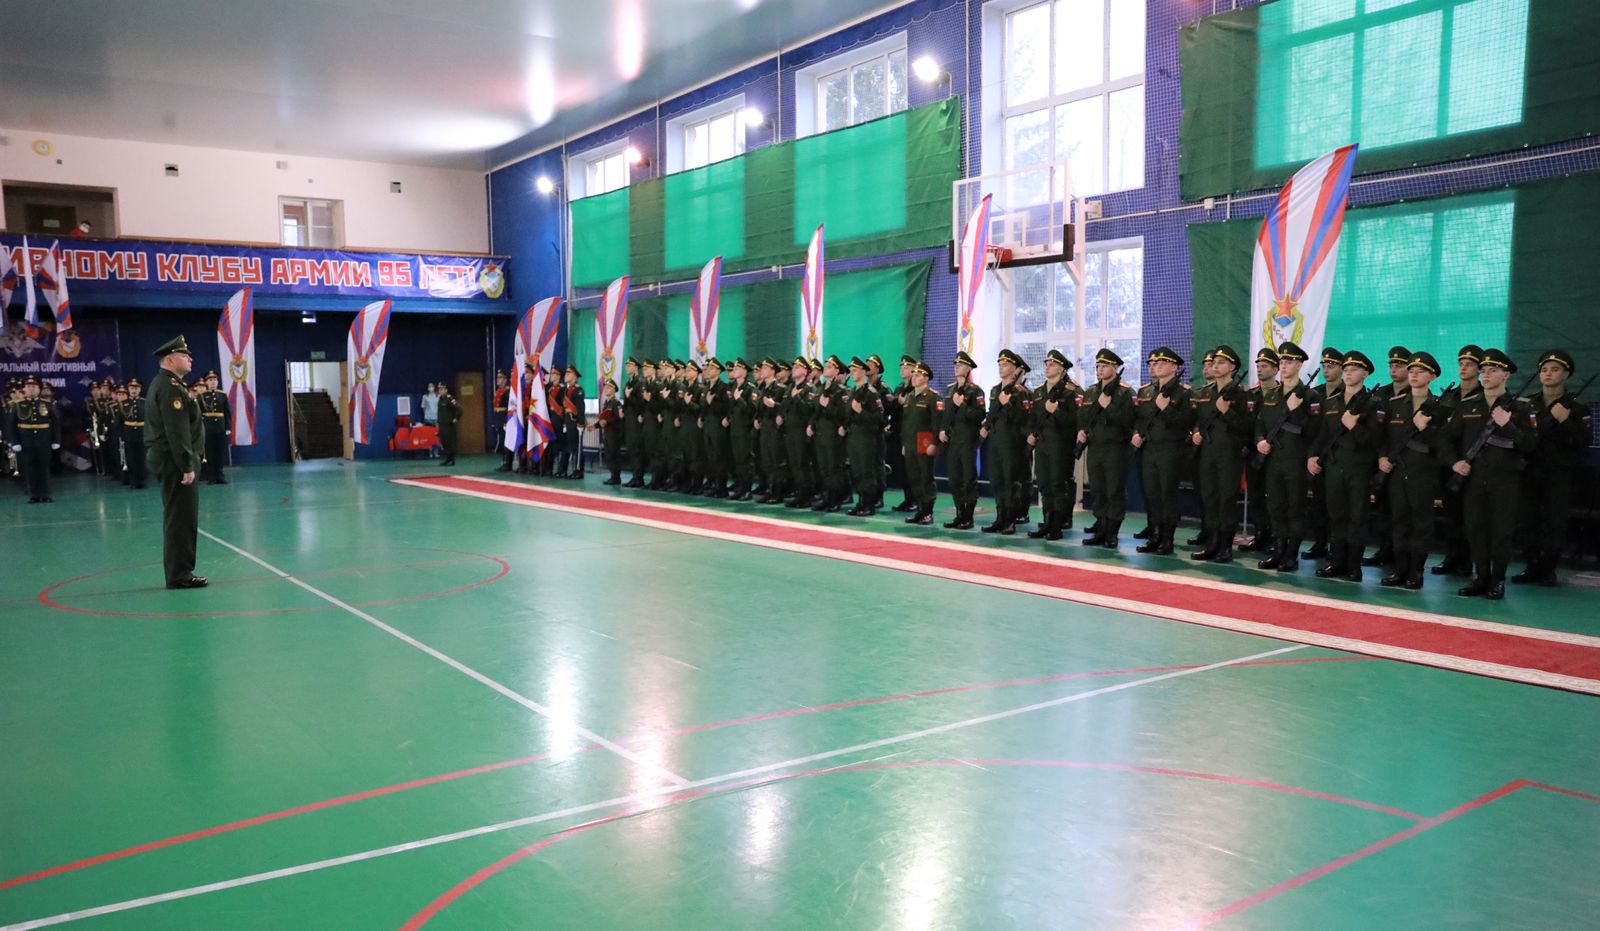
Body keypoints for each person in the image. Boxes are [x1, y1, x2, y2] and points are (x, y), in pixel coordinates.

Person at [1445, 348, 1535, 599]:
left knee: (1501, 532)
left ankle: (1497, 580)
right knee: (1476, 530)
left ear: (1505, 375)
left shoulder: (1521, 408)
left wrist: (1508, 425)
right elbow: (1446, 439)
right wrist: (1454, 463)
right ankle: (1481, 577)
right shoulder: (1467, 405)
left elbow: (1530, 445)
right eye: (1483, 370)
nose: (1485, 375)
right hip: (1473, 479)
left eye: (1492, 370)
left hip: (1504, 480)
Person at [1513, 350, 1592, 586]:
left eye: (1555, 369)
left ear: (1566, 374)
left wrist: (1565, 420)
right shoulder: (1528, 404)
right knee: (1527, 521)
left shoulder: (1576, 408)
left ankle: (1548, 570)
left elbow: (1583, 442)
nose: (1548, 374)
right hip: (1529, 472)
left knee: (1553, 523)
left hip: (1558, 474)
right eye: (1544, 370)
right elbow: (1519, 437)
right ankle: (1531, 566)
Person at [1310, 351, 1383, 582]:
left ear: (1365, 373)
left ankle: (1354, 565)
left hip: (1359, 468)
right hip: (1334, 466)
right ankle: (1336, 561)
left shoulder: (1373, 403)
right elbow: (1323, 434)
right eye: (1347, 369)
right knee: (1336, 515)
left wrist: (1354, 427)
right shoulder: (1332, 401)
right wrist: (1313, 455)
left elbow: (1376, 441)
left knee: (1357, 518)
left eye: (1354, 369)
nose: (1349, 373)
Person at [1376, 352, 1442, 589]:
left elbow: (1443, 445)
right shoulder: (1395, 404)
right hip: (1397, 472)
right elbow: (1385, 437)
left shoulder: (1440, 407)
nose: (1414, 375)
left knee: (1421, 524)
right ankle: (1400, 569)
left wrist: (1426, 430)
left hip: (1423, 473)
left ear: (1432, 376)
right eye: (1411, 371)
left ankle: (1416, 571)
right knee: (1399, 522)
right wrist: (1382, 457)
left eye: (1420, 372)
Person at [146, 336, 207, 589]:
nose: (189, 358)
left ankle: (180, 571)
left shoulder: (168, 384)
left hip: (172, 461)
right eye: (184, 355)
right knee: (181, 519)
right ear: (170, 360)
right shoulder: (171, 388)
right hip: (175, 463)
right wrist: (186, 465)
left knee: (180, 517)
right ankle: (180, 574)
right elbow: (177, 430)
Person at [1252, 342, 1313, 571]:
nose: (1284, 365)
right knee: (1276, 507)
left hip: (1296, 461)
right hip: (1273, 461)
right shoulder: (1272, 394)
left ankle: (1291, 554)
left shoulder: (1310, 396)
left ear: (1299, 365)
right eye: (1282, 361)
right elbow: (1260, 422)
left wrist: (1296, 410)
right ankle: (1277, 551)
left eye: (1289, 361)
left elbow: (1315, 431)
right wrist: (1260, 441)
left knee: (1294, 508)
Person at [1189, 345, 1251, 563]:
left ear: (1232, 367)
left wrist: (1227, 412)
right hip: (1208, 453)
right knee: (1210, 498)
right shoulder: (1206, 393)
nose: (1215, 366)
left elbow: (1247, 427)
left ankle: (1225, 546)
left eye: (1221, 363)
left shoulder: (1241, 394)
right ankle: (1212, 544)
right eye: (1214, 362)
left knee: (1226, 499)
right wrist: (1196, 432)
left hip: (1229, 454)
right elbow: (1199, 420)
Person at [1132, 348, 1194, 556]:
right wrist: (1136, 433)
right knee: (1152, 495)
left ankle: (1167, 539)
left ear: (1174, 367)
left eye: (1162, 362)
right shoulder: (1145, 392)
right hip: (1149, 448)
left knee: (1168, 495)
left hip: (1170, 449)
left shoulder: (1183, 392)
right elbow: (1140, 418)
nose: (1157, 366)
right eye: (1155, 363)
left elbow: (1186, 423)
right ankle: (1154, 535)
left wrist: (1166, 409)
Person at [1432, 345, 1484, 576]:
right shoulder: (1449, 397)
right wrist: (1450, 461)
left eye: (1469, 364)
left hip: (1475, 466)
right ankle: (1452, 557)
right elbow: (1439, 432)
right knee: (1451, 515)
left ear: (1480, 369)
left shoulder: (1485, 396)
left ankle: (1469, 561)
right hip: (1449, 464)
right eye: (1461, 364)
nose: (1463, 368)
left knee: (1473, 518)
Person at [1078, 349, 1137, 548]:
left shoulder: (1125, 392)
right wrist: (1081, 430)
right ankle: (1101, 529)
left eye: (1104, 366)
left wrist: (1109, 407)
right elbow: (1083, 417)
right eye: (1098, 366)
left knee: (1114, 490)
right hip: (1095, 447)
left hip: (1115, 448)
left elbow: (1129, 421)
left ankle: (1112, 532)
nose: (1100, 370)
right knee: (1098, 489)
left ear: (1115, 367)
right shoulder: (1091, 391)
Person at [1026, 349, 1077, 541]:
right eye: (1047, 364)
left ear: (1062, 369)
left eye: (1052, 364)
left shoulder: (1071, 392)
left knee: (1057, 485)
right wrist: (1031, 433)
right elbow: (1033, 417)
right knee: (1044, 484)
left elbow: (1075, 422)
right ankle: (1046, 522)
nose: (1048, 367)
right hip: (1042, 444)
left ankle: (1057, 526)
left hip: (1060, 445)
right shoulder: (1039, 392)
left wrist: (1057, 412)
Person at [1299, 347, 1343, 560]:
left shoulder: (1349, 394)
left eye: (1331, 366)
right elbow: (1311, 428)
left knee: (1337, 505)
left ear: (1342, 368)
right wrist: (1312, 454)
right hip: (1317, 455)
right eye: (1324, 366)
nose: (1326, 370)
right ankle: (1320, 542)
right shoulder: (1315, 393)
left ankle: (1336, 545)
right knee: (1318, 502)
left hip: (1338, 457)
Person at [982, 350, 1030, 535]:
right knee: (997, 480)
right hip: (995, 441)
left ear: (1015, 369)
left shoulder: (1020, 392)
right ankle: (1000, 518)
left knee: (1011, 482)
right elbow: (992, 414)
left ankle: (1010, 520)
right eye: (1000, 365)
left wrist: (1007, 404)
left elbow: (1023, 419)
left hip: (1012, 442)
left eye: (1006, 365)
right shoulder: (995, 390)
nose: (1001, 368)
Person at [940, 351, 986, 529]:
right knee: (954, 479)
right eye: (955, 364)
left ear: (968, 369)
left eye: (960, 365)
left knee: (968, 479)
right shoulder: (951, 389)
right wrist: (943, 429)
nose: (956, 367)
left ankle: (968, 516)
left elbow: (980, 415)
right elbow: (947, 414)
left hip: (968, 439)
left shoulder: (975, 391)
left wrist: (963, 405)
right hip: (953, 440)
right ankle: (959, 514)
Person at [1242, 348, 1282, 550]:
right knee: (1256, 496)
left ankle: (1276, 537)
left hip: (1277, 454)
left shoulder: (1283, 394)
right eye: (1258, 366)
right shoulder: (1250, 395)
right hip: (1253, 453)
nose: (1259, 369)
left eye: (1264, 366)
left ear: (1275, 369)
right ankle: (1260, 533)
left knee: (1276, 497)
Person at [7, 376, 60, 502]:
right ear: (24, 389)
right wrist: (15, 442)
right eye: (28, 387)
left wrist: (56, 440)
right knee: (29, 468)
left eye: (34, 387)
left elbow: (56, 423)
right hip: (26, 441)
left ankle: (46, 494)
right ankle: (34, 495)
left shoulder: (47, 404)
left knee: (44, 468)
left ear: (39, 389)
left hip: (43, 440)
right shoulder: (17, 405)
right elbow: (11, 425)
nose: (31, 389)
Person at [900, 361, 940, 525]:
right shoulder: (909, 397)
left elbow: (937, 422)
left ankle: (928, 512)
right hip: (910, 442)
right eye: (913, 375)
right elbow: (906, 423)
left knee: (925, 478)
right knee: (914, 478)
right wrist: (904, 443)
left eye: (917, 375)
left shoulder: (932, 397)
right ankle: (920, 510)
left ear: (925, 378)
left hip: (924, 441)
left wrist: (934, 443)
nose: (914, 378)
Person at [845, 357, 886, 515]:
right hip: (854, 435)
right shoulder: (853, 391)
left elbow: (879, 419)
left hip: (866, 436)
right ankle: (861, 501)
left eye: (855, 370)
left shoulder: (871, 392)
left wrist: (861, 411)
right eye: (851, 371)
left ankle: (869, 504)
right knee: (857, 471)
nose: (852, 373)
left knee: (866, 471)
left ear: (863, 372)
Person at [811, 355, 852, 512]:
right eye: (826, 366)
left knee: (834, 467)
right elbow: (815, 410)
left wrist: (827, 406)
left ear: (837, 371)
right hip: (820, 432)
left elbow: (844, 414)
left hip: (833, 433)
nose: (826, 368)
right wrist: (811, 425)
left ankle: (835, 499)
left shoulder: (841, 390)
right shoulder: (821, 388)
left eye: (830, 366)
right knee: (823, 468)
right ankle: (826, 497)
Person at [197, 371, 231, 484]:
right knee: (209, 452)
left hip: (220, 426)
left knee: (220, 452)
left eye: (215, 380)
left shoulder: (223, 395)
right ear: (206, 382)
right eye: (210, 380)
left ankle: (220, 475)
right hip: (207, 426)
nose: (213, 382)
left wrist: (228, 427)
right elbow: (198, 413)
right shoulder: (202, 396)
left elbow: (227, 413)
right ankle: (211, 476)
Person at [122, 378, 149, 489]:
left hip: (142, 433)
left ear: (140, 389)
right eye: (132, 388)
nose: (134, 390)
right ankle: (133, 481)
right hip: (129, 434)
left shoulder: (145, 402)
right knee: (130, 458)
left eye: (136, 388)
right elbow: (120, 421)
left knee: (142, 458)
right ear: (128, 389)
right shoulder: (123, 403)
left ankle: (142, 480)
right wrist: (122, 434)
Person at [596, 378, 624, 484]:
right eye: (605, 387)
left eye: (608, 388)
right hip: (607, 433)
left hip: (614, 433)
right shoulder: (606, 403)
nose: (605, 389)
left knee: (614, 454)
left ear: (613, 390)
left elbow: (617, 418)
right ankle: (613, 475)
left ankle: (616, 477)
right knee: (608, 454)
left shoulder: (616, 403)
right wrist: (595, 426)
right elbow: (603, 418)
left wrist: (607, 422)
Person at [436, 383, 461, 466]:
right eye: (439, 389)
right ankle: (448, 459)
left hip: (448, 425)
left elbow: (459, 408)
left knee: (450, 442)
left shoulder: (449, 398)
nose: (440, 391)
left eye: (442, 389)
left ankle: (451, 459)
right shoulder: (440, 399)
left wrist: (456, 418)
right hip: (442, 424)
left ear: (446, 390)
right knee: (444, 442)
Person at [491, 370, 511, 471]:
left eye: (500, 377)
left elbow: (509, 407)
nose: (498, 379)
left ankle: (507, 462)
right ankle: (504, 462)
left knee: (506, 441)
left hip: (504, 418)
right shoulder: (498, 391)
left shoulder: (508, 392)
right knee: (502, 441)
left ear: (505, 380)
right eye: (498, 377)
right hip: (498, 417)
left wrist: (506, 420)